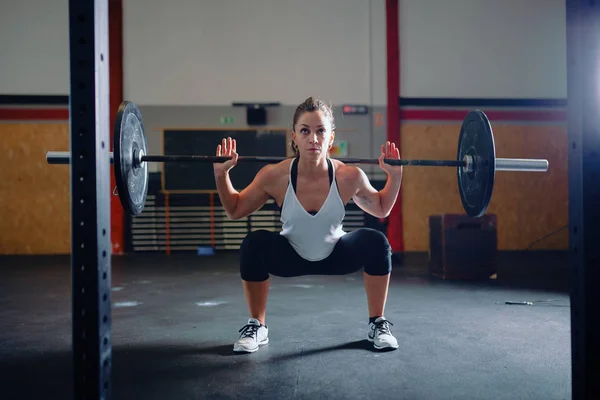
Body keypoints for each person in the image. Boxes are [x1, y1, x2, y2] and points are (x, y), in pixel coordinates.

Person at [213, 97, 403, 353]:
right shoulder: (275, 176)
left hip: (337, 254)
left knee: (376, 242)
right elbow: (235, 210)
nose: (313, 139)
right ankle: (257, 325)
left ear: (331, 138)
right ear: (294, 137)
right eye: (305, 131)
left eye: (320, 131)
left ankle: (377, 323)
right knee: (253, 244)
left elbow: (381, 208)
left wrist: (394, 177)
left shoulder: (349, 176)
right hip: (290, 255)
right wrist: (221, 174)